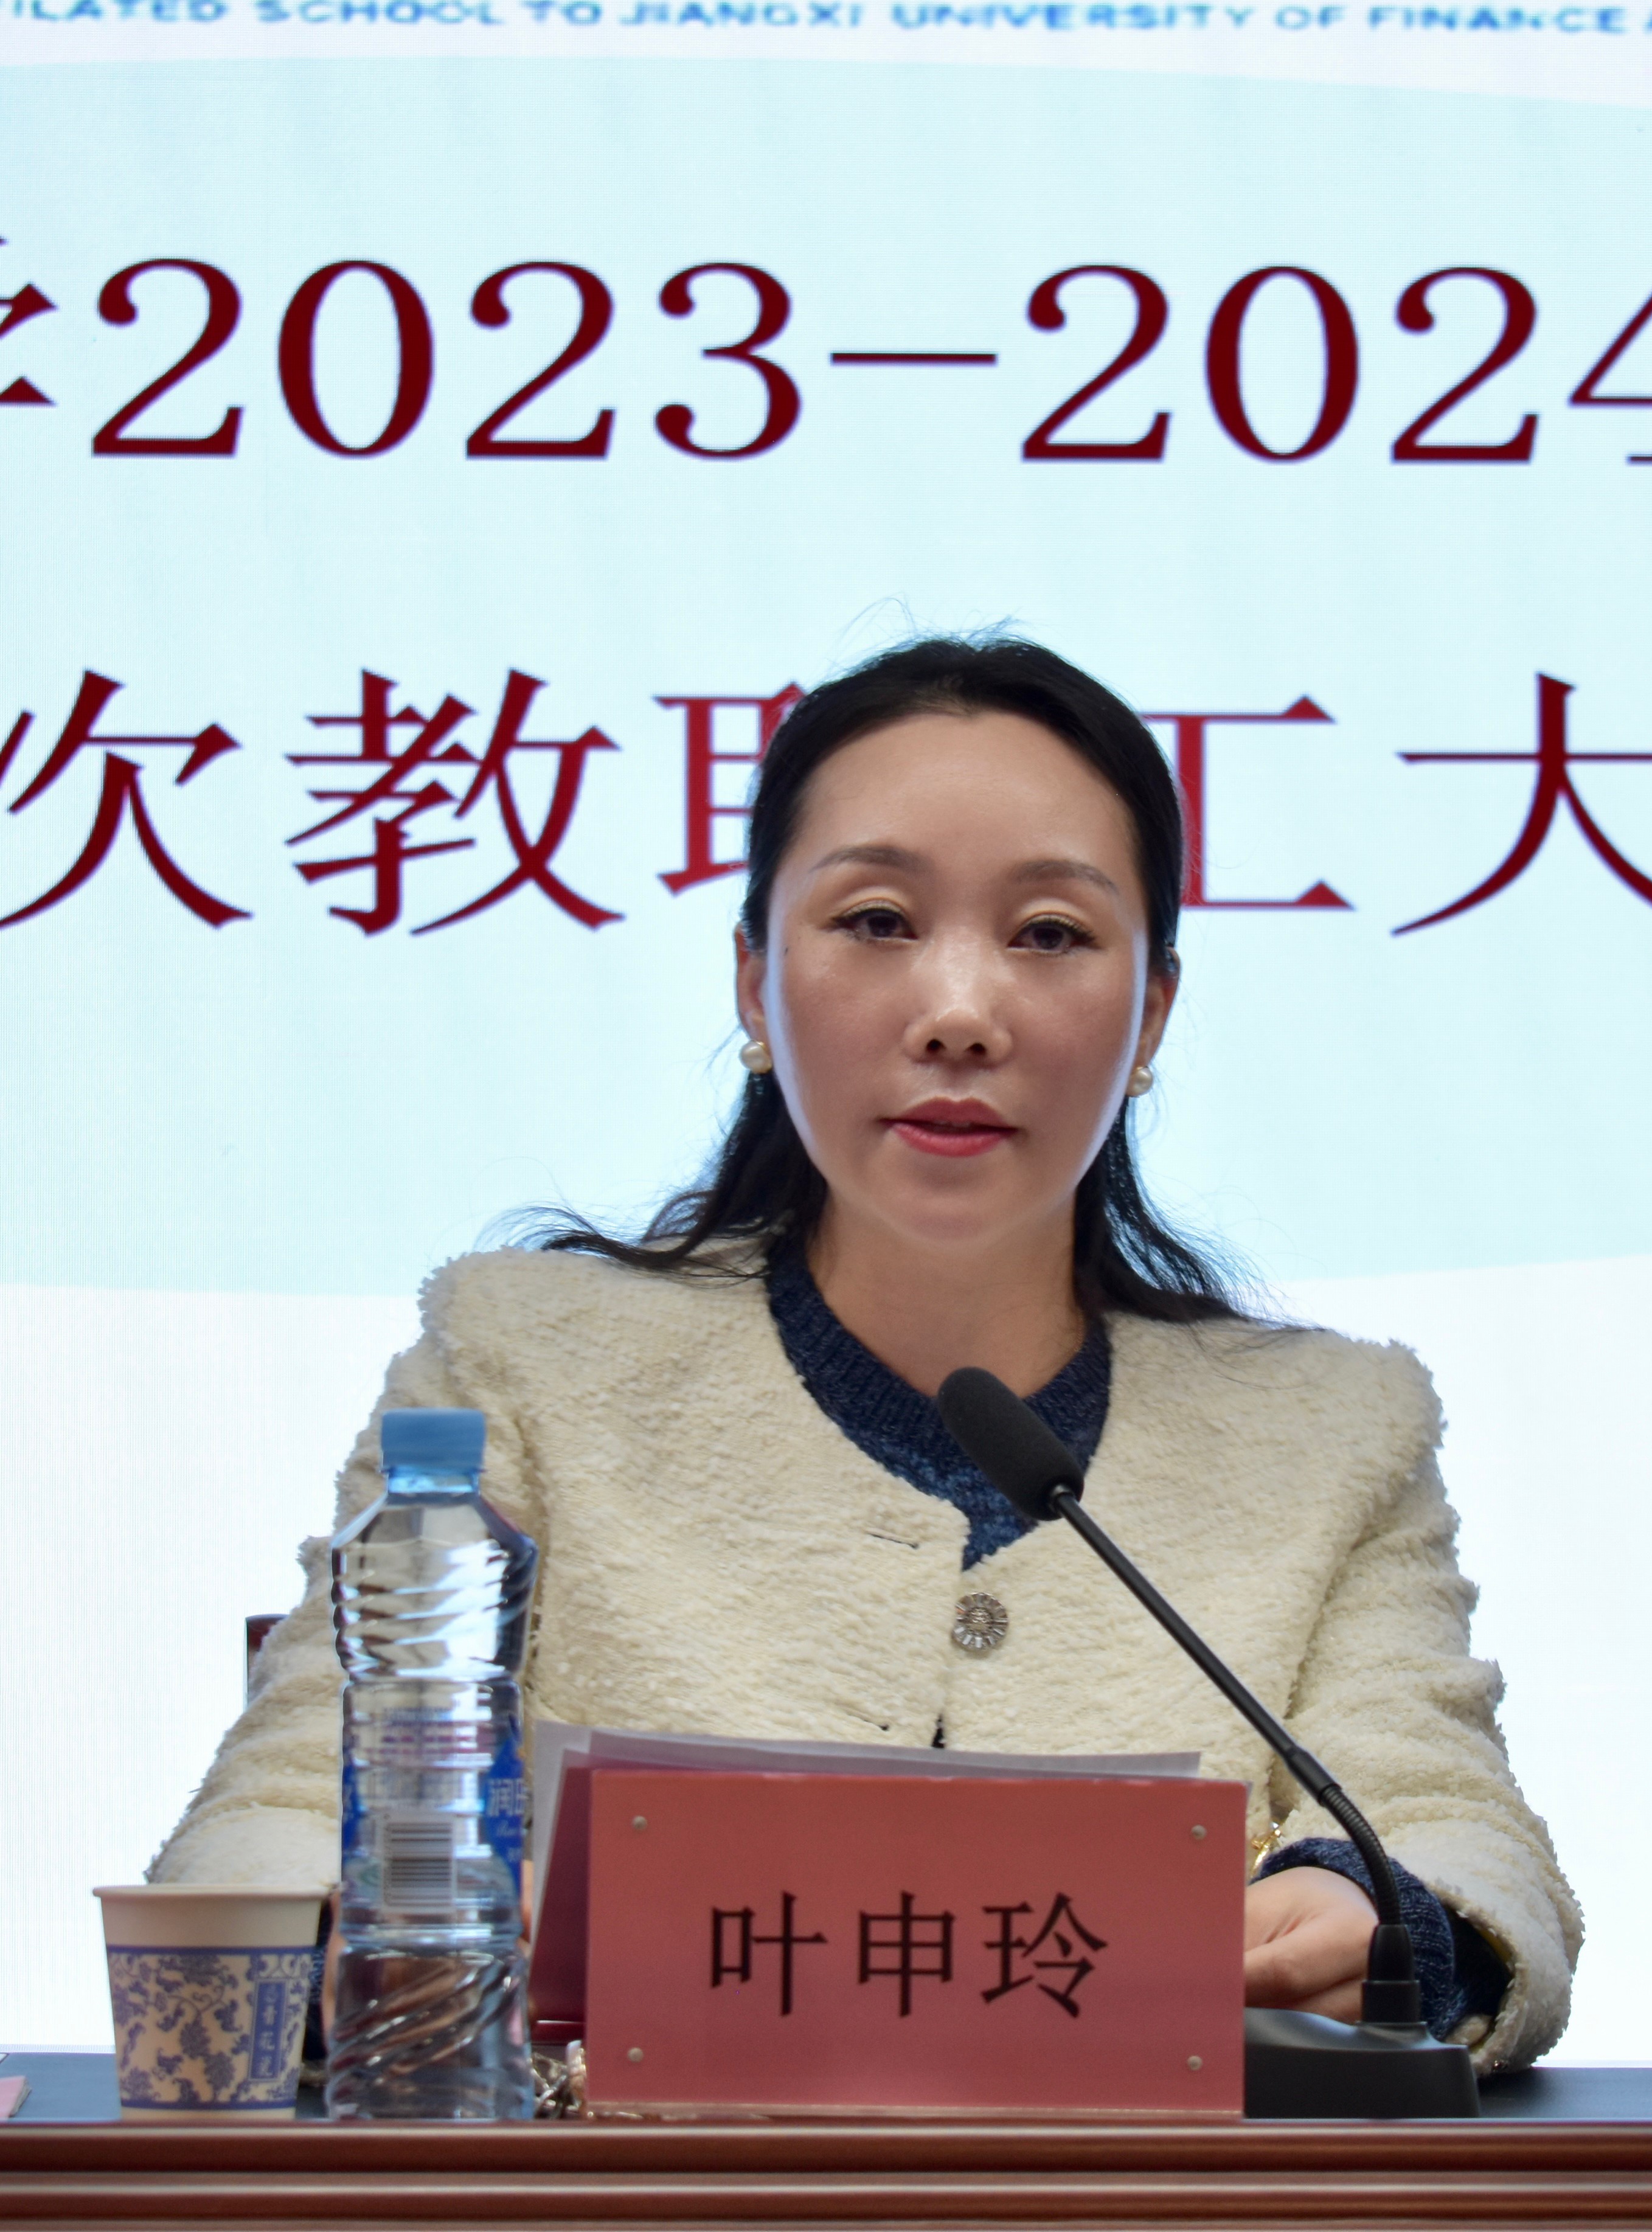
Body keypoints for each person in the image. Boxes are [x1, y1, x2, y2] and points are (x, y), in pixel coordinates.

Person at [151, 635, 1580, 2073]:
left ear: (1150, 1013)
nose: (959, 1013)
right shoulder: (521, 1365)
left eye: (1050, 934)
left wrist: (1373, 1914)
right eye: (878, 919)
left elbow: (1451, 1827)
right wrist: (383, 1939)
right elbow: (280, 1812)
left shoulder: (1330, 1431)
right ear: (753, 982)